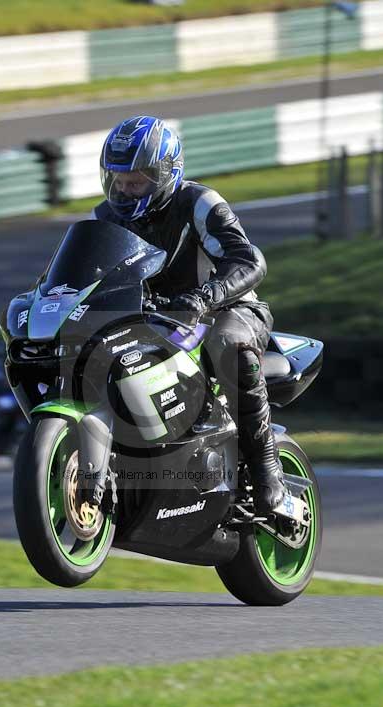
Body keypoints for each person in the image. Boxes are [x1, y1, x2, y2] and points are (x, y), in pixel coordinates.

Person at [92, 115, 285, 514]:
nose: (126, 189)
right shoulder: (105, 218)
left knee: (228, 344)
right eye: (119, 178)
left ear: (165, 174)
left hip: (229, 308)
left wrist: (205, 296)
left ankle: (268, 472)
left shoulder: (198, 203)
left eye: (137, 180)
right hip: (155, 317)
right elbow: (89, 275)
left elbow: (250, 262)